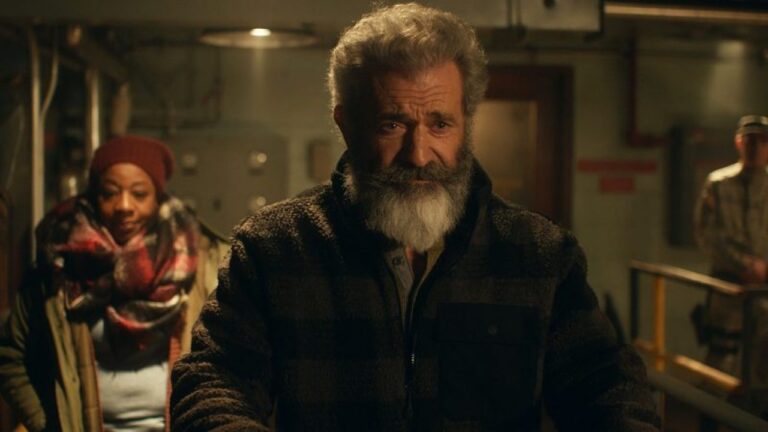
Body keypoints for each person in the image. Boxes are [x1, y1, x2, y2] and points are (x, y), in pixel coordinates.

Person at [171, 4, 659, 431]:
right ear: (346, 124)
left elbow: (605, 384)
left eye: (439, 124)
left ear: (466, 124)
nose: (419, 153)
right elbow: (213, 380)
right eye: (392, 124)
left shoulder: (538, 253)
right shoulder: (276, 247)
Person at [0, 135, 227, 431]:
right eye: (109, 193)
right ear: (94, 196)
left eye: (139, 194)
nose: (124, 206)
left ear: (158, 198)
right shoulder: (59, 265)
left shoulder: (199, 263)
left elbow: (236, 359)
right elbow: (10, 355)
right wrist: (46, 423)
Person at [694, 115, 768, 406]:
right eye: (750, 141)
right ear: (739, 143)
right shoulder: (718, 183)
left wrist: (764, 269)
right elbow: (706, 234)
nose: (756, 147)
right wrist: (744, 265)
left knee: (763, 361)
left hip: (764, 289)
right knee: (721, 356)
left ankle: (757, 417)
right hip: (729, 285)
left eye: (762, 141)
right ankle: (710, 416)